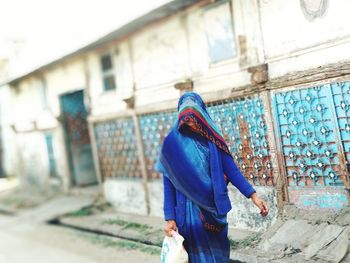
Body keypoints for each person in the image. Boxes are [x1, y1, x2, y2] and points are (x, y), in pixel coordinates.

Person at [156, 92, 269, 263]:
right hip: (187, 213)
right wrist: (170, 218)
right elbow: (168, 184)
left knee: (218, 253)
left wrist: (253, 196)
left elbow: (232, 170)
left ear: (202, 115)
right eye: (186, 119)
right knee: (194, 256)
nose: (191, 123)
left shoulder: (213, 141)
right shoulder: (172, 145)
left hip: (213, 210)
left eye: (194, 118)